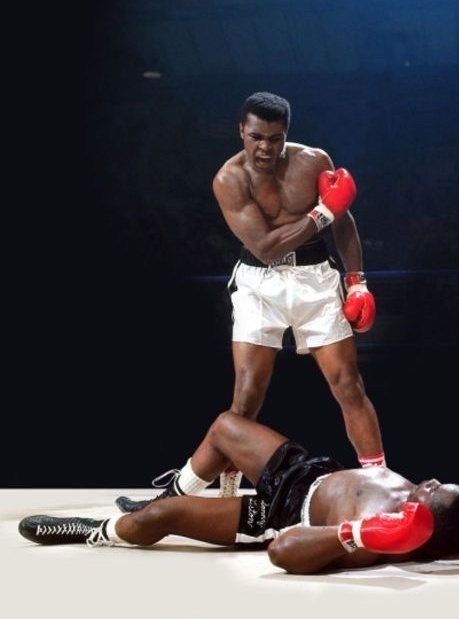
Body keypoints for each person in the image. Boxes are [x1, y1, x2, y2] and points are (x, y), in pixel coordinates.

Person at [148, 90, 384, 499]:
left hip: (315, 279)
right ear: (241, 130)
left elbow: (342, 222)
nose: (265, 148)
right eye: (256, 137)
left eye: (275, 139)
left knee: (348, 384)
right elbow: (266, 247)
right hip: (260, 285)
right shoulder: (229, 179)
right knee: (246, 395)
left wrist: (357, 280)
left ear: (286, 134)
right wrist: (322, 213)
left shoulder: (315, 161)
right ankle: (220, 493)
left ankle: (381, 484)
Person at [19, 412, 459, 574]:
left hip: (281, 513)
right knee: (226, 426)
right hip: (311, 470)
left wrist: (358, 532)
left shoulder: (387, 543)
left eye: (432, 489)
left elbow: (283, 551)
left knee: (161, 518)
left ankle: (99, 532)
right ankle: (181, 483)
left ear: (424, 514)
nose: (431, 479)